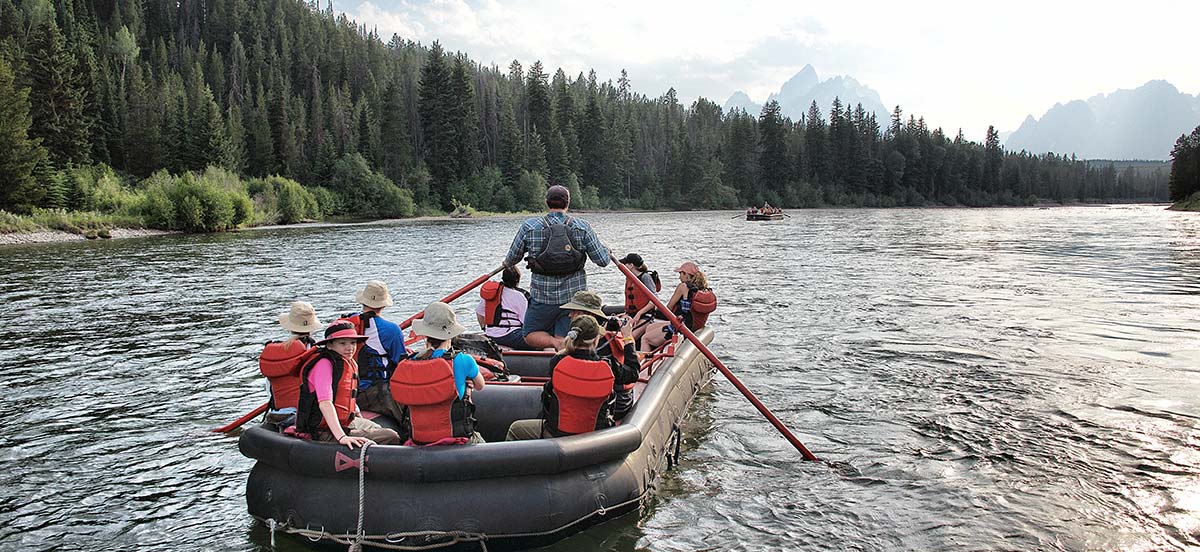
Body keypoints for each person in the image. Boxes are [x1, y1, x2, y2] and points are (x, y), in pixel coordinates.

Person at [505, 184, 610, 350]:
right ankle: (562, 343)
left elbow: (511, 260)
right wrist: (606, 250)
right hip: (575, 301)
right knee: (566, 332)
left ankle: (555, 344)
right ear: (567, 204)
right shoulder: (582, 226)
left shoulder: (530, 226)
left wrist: (506, 262)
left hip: (543, 298)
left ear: (547, 203)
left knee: (529, 334)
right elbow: (602, 260)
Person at [505, 316, 640, 440]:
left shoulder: (558, 361)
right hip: (596, 437)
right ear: (596, 340)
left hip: (556, 434)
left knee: (516, 429)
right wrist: (627, 338)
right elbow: (633, 373)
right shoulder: (608, 365)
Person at [292, 319, 401, 448]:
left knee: (378, 428)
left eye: (353, 343)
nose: (350, 348)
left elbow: (348, 393)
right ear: (330, 345)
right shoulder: (324, 365)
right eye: (342, 343)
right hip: (323, 431)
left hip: (346, 422)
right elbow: (325, 403)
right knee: (390, 436)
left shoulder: (348, 362)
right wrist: (342, 437)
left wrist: (357, 414)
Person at [390, 302, 486, 445]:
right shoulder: (463, 360)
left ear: (426, 334)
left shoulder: (411, 362)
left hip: (418, 441)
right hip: (455, 439)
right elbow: (480, 385)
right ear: (451, 333)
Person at [344, 280, 408, 424]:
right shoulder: (391, 330)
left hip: (347, 391)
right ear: (384, 304)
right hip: (375, 393)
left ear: (363, 301)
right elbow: (401, 364)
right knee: (409, 415)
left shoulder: (346, 324)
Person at [258, 301, 321, 426]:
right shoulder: (316, 353)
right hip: (305, 414)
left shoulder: (275, 351)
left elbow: (269, 389)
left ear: (290, 327)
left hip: (278, 412)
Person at [634, 261, 711, 352]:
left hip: (680, 328)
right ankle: (658, 352)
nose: (679, 277)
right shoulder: (702, 290)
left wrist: (653, 311)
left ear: (686, 274)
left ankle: (645, 363)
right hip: (691, 326)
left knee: (645, 338)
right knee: (649, 328)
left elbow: (669, 308)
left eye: (680, 273)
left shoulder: (683, 287)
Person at [475, 266, 532, 350]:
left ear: (503, 278)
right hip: (510, 335)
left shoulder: (492, 293)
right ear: (517, 280)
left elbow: (479, 313)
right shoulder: (519, 296)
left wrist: (484, 328)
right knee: (537, 339)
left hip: (491, 334)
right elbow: (526, 322)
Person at [619, 253, 661, 318]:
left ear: (631, 265)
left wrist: (639, 314)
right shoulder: (629, 278)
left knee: (630, 328)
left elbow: (655, 299)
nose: (624, 266)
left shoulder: (645, 277)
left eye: (625, 264)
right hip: (632, 315)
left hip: (646, 315)